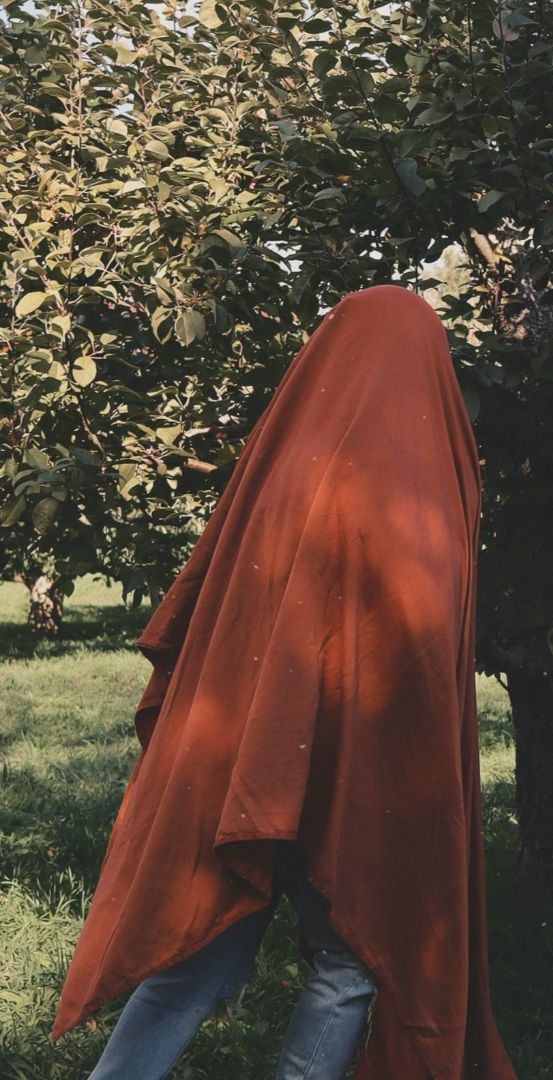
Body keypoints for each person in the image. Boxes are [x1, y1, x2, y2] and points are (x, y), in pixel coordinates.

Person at [54, 286, 516, 1079]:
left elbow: (221, 606)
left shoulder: (284, 459)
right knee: (348, 963)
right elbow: (423, 662)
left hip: (252, 762)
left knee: (196, 946)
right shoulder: (436, 474)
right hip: (362, 771)